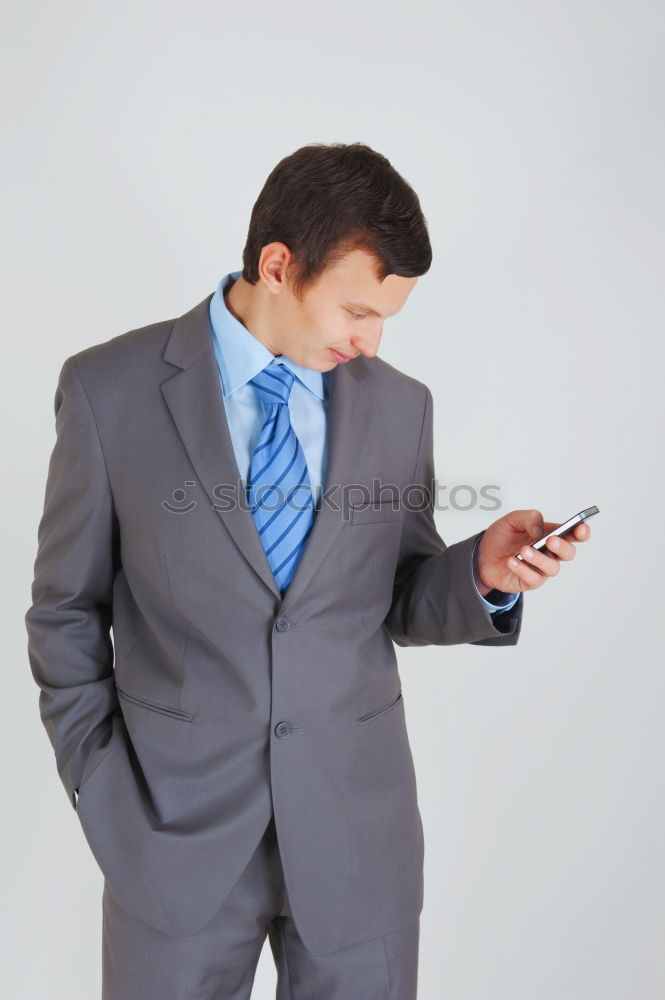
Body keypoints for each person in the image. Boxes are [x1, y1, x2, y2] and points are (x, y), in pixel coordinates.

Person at [25, 141, 590, 999]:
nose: (371, 342)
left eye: (388, 319)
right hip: (171, 843)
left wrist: (481, 573)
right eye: (357, 311)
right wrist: (98, 785)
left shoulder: (400, 407)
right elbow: (65, 609)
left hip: (358, 843)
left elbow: (394, 593)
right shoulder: (109, 391)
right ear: (278, 266)